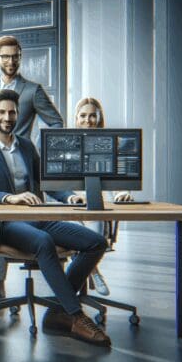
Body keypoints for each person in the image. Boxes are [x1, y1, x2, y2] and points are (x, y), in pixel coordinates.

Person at [0, 89, 110, 346]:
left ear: (18, 114)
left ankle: (58, 309)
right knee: (43, 241)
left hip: (37, 216)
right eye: (2, 112)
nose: (7, 117)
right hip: (3, 225)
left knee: (96, 242)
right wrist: (9, 198)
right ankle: (76, 316)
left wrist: (69, 197)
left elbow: (46, 182)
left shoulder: (25, 145)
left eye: (12, 112)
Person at [0, 35, 65, 310]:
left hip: (23, 168)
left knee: (40, 233)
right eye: (5, 56)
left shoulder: (32, 90)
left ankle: (61, 291)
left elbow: (56, 123)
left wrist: (32, 148)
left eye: (15, 56)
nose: (10, 61)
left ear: (20, 57)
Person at [74, 97, 133, 296]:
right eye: (83, 115)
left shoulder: (110, 144)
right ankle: (94, 272)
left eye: (92, 116)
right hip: (70, 203)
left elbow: (118, 178)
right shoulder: (68, 143)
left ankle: (88, 273)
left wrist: (122, 192)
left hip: (96, 205)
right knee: (68, 231)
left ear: (99, 119)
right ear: (76, 118)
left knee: (93, 230)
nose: (88, 120)